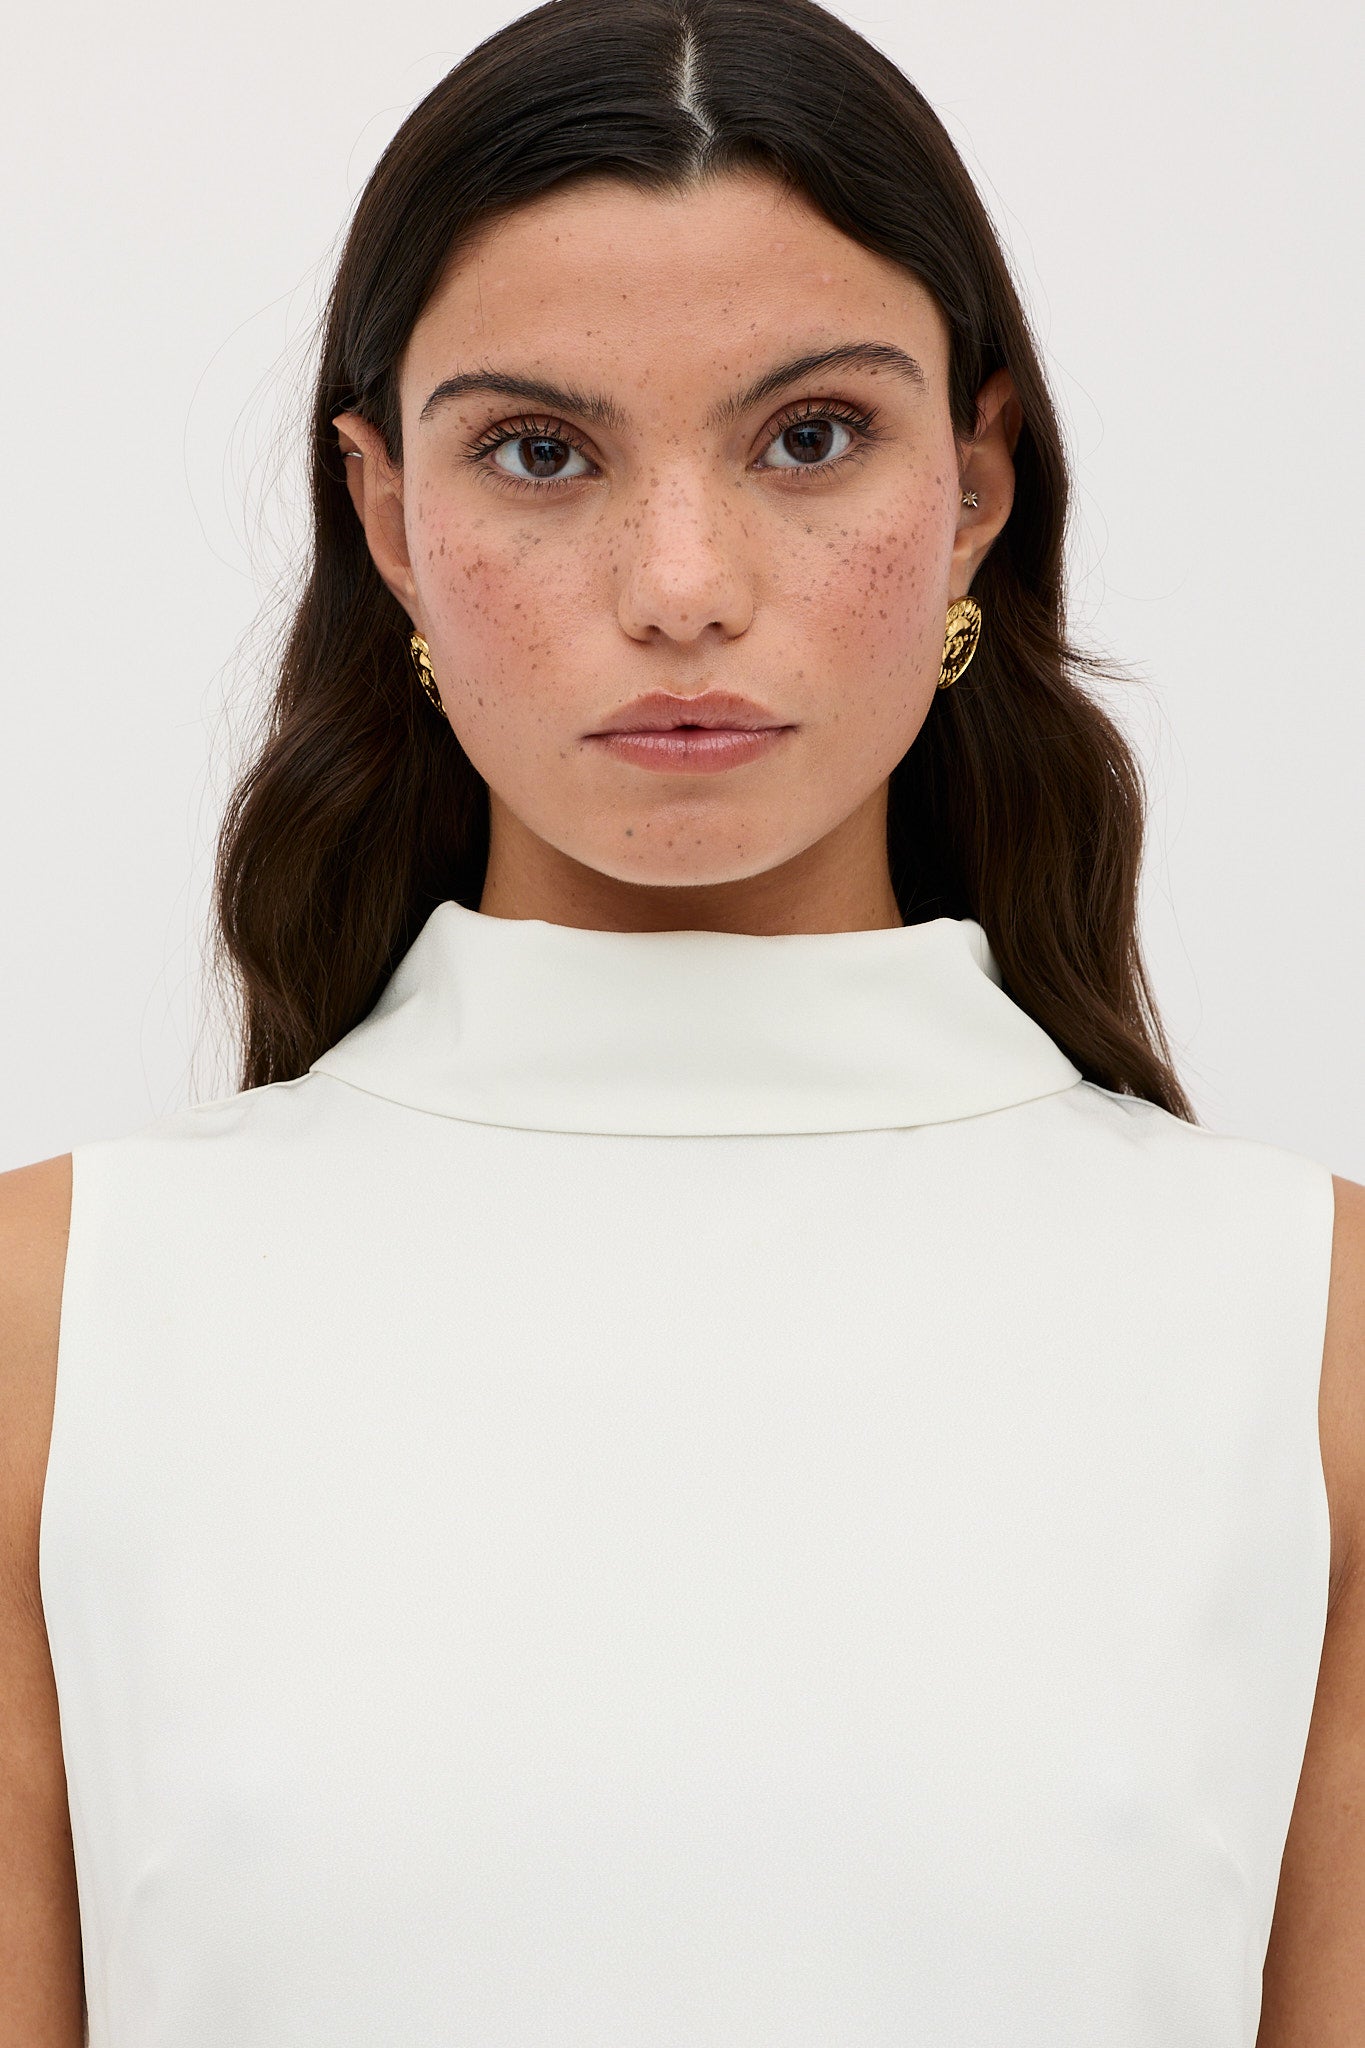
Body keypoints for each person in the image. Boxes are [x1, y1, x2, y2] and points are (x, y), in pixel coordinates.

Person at [2, 0, 1362, 2040]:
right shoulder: (55, 1323)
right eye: (537, 453)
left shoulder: (1307, 1339)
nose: (680, 583)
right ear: (384, 517)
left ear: (975, 483)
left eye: (807, 436)